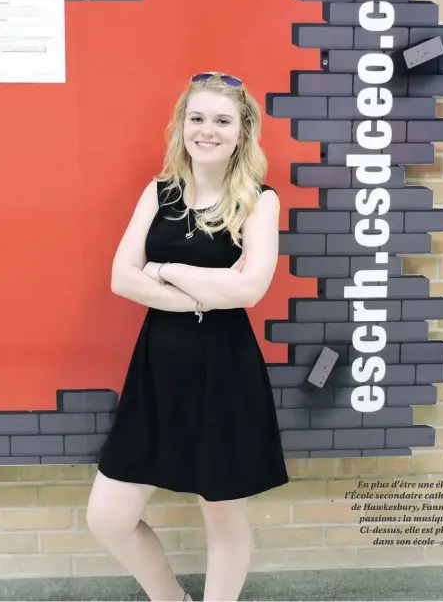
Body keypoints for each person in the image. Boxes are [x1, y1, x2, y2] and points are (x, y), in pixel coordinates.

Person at [86, 72, 289, 602]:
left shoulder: (259, 202)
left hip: (224, 370)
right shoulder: (159, 193)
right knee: (108, 518)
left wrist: (163, 269)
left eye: (222, 121)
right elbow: (120, 277)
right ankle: (170, 598)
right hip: (158, 368)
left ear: (242, 132)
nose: (207, 130)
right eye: (196, 118)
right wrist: (203, 292)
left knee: (222, 512)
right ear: (181, 127)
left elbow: (249, 290)